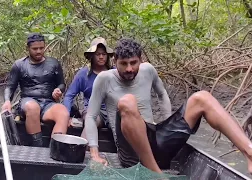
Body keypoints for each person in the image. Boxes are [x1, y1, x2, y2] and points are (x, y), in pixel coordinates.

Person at [85, 38, 252, 174]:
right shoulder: (104, 79)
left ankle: (249, 151)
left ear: (141, 60)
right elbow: (91, 116)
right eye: (124, 64)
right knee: (127, 101)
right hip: (131, 153)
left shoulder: (148, 70)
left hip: (157, 142)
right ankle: (157, 176)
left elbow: (162, 93)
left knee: (202, 98)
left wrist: (166, 121)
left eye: (133, 63)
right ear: (115, 61)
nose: (129, 69)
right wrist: (94, 154)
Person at [1, 33, 69, 147]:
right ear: (27, 48)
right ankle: (38, 147)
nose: (38, 51)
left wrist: (58, 90)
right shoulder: (19, 65)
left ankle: (56, 148)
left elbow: (62, 84)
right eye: (35, 49)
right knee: (33, 107)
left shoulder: (53, 63)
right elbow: (10, 87)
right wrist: (7, 101)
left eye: (41, 48)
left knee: (63, 113)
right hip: (27, 102)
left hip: (48, 103)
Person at [63, 37, 113, 138]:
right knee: (92, 120)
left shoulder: (114, 72)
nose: (101, 57)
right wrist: (66, 116)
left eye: (104, 54)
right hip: (92, 111)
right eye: (98, 54)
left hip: (112, 110)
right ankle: (80, 150)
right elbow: (69, 95)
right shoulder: (83, 74)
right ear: (92, 56)